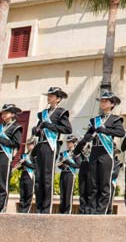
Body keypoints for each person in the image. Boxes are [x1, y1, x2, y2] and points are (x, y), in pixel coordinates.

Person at [83, 91, 125, 214]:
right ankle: (92, 209)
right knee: (93, 181)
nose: (102, 103)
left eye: (105, 101)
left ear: (112, 104)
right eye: (101, 101)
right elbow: (89, 133)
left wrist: (105, 130)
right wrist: (87, 137)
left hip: (106, 152)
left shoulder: (115, 119)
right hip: (94, 151)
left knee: (104, 181)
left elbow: (121, 133)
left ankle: (102, 210)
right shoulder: (95, 120)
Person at [32, 86, 72, 214]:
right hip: (41, 145)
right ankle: (39, 206)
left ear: (58, 98)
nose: (49, 98)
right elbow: (39, 129)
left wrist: (49, 125)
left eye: (52, 96)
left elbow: (67, 129)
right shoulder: (43, 113)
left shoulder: (61, 112)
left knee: (47, 177)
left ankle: (46, 208)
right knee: (38, 177)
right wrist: (36, 130)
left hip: (51, 145)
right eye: (49, 95)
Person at [0, 104, 23, 213]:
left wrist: (1, 140)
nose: (3, 115)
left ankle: (1, 207)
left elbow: (16, 144)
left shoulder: (16, 128)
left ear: (12, 114)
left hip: (5, 156)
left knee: (2, 183)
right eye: (2, 112)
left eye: (6, 112)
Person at [58, 135, 79, 214]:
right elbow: (59, 165)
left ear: (73, 143)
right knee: (62, 194)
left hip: (70, 174)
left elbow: (78, 165)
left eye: (70, 142)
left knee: (68, 194)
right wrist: (62, 164)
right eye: (67, 142)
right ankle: (61, 211)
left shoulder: (75, 153)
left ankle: (67, 211)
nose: (68, 144)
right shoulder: (64, 153)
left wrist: (69, 162)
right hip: (63, 173)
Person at [17, 138, 37, 213]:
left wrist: (25, 163)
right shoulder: (24, 155)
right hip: (24, 174)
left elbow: (35, 166)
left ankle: (26, 211)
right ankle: (21, 210)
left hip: (30, 175)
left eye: (30, 144)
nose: (28, 146)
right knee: (22, 193)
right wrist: (20, 164)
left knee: (28, 194)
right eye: (27, 145)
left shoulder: (35, 155)